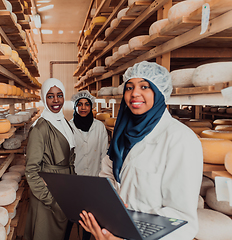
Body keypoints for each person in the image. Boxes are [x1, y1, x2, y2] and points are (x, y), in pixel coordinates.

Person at [79, 61, 203, 240]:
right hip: (112, 230)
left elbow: (182, 220)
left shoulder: (180, 139)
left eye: (144, 86)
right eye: (129, 87)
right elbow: (108, 177)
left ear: (159, 92)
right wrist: (108, 206)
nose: (134, 93)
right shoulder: (122, 134)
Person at [24, 78, 76, 240]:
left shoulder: (64, 122)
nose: (56, 100)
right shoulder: (40, 128)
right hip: (48, 197)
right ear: (44, 99)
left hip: (64, 189)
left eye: (59, 95)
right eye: (50, 96)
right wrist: (51, 200)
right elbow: (31, 170)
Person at [64, 90, 109, 240]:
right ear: (75, 107)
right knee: (71, 215)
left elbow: (104, 154)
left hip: (93, 178)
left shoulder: (100, 127)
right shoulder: (68, 127)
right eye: (80, 104)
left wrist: (102, 178)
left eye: (87, 104)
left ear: (91, 106)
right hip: (74, 179)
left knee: (89, 217)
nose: (83, 108)